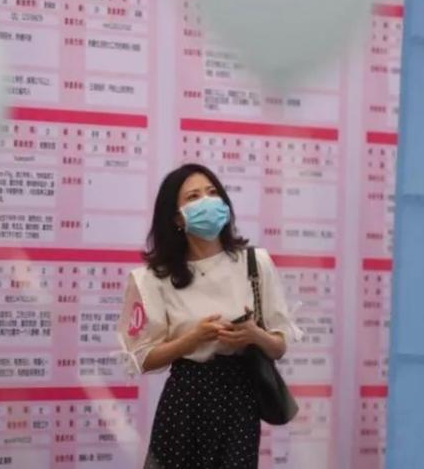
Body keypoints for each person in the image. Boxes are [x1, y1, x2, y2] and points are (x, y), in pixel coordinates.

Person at [118, 163, 302, 468]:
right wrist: (191, 340)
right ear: (177, 217)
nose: (207, 201)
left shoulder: (255, 263)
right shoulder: (153, 278)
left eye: (213, 192)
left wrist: (255, 335)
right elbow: (142, 358)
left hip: (240, 401)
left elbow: (279, 346)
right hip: (186, 401)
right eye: (193, 197)